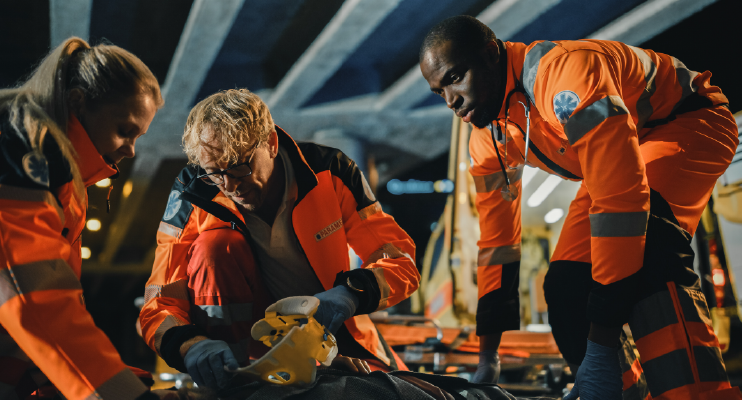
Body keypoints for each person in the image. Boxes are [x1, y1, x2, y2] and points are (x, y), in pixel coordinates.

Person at [419, 15, 741, 400]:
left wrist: (601, 346)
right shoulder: (488, 139)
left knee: (650, 246)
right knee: (565, 286)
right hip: (618, 152)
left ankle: (699, 394)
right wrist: (488, 353)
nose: (451, 101)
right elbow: (497, 244)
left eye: (455, 78)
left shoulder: (566, 74)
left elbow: (621, 203)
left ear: (490, 55)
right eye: (439, 91)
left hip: (686, 120)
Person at [139, 88, 419, 391]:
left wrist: (351, 293)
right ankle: (236, 380)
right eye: (215, 173)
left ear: (271, 143)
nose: (230, 186)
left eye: (239, 165)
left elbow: (400, 261)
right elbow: (159, 301)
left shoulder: (330, 171)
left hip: (336, 338)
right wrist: (190, 345)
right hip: (245, 363)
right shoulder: (192, 194)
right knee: (214, 247)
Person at [0, 38, 167, 399]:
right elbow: (34, 300)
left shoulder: (57, 176)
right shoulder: (11, 151)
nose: (131, 150)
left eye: (138, 136)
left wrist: (124, 381)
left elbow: (47, 310)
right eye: (125, 130)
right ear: (77, 102)